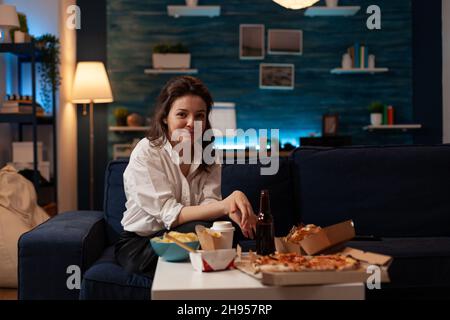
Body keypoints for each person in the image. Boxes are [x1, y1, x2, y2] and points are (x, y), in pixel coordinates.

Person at [115, 76, 257, 277]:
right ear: (165, 116)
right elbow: (169, 214)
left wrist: (226, 212)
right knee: (204, 233)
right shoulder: (146, 151)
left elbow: (209, 203)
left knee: (221, 231)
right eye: (182, 114)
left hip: (187, 233)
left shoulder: (209, 154)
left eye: (199, 115)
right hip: (143, 244)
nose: (192, 123)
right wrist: (224, 205)